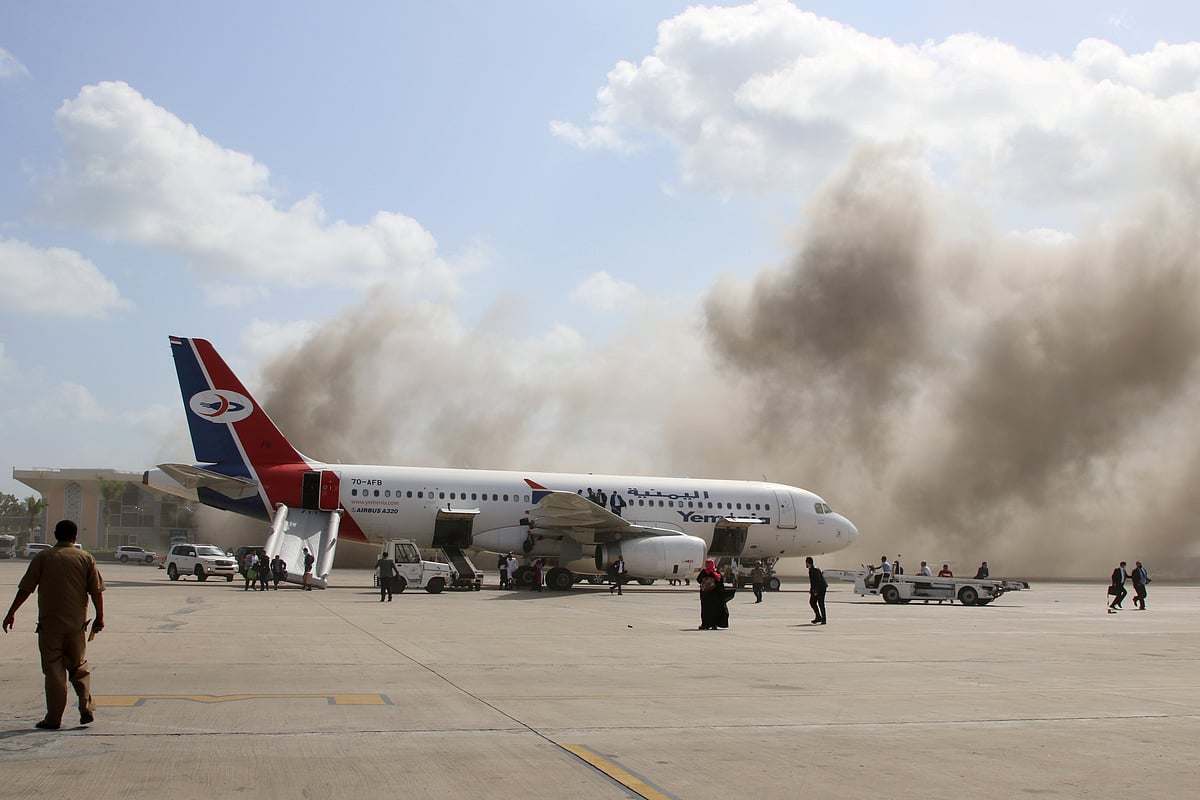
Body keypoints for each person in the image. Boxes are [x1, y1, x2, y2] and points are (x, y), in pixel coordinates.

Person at [3, 520, 105, 730]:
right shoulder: (86, 558)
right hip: (76, 626)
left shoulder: (44, 557)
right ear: (75, 536)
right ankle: (86, 708)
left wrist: (11, 612)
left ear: (55, 535)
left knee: (54, 671)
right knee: (79, 667)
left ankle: (54, 718)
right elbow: (96, 591)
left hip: (50, 626)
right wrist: (100, 617)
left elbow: (26, 588)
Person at [697, 558, 732, 630]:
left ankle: (709, 624)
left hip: (709, 595)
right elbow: (720, 582)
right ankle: (710, 624)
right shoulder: (713, 572)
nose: (707, 565)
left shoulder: (708, 572)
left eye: (708, 564)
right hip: (711, 595)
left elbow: (699, 579)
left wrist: (706, 581)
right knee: (711, 610)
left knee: (709, 610)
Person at [807, 556, 827, 625]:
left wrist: (816, 591)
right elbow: (812, 582)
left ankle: (824, 619)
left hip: (821, 588)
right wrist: (811, 590)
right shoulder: (810, 569)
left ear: (808, 563)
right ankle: (818, 617)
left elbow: (818, 581)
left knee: (821, 603)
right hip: (816, 588)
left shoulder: (815, 569)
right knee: (812, 602)